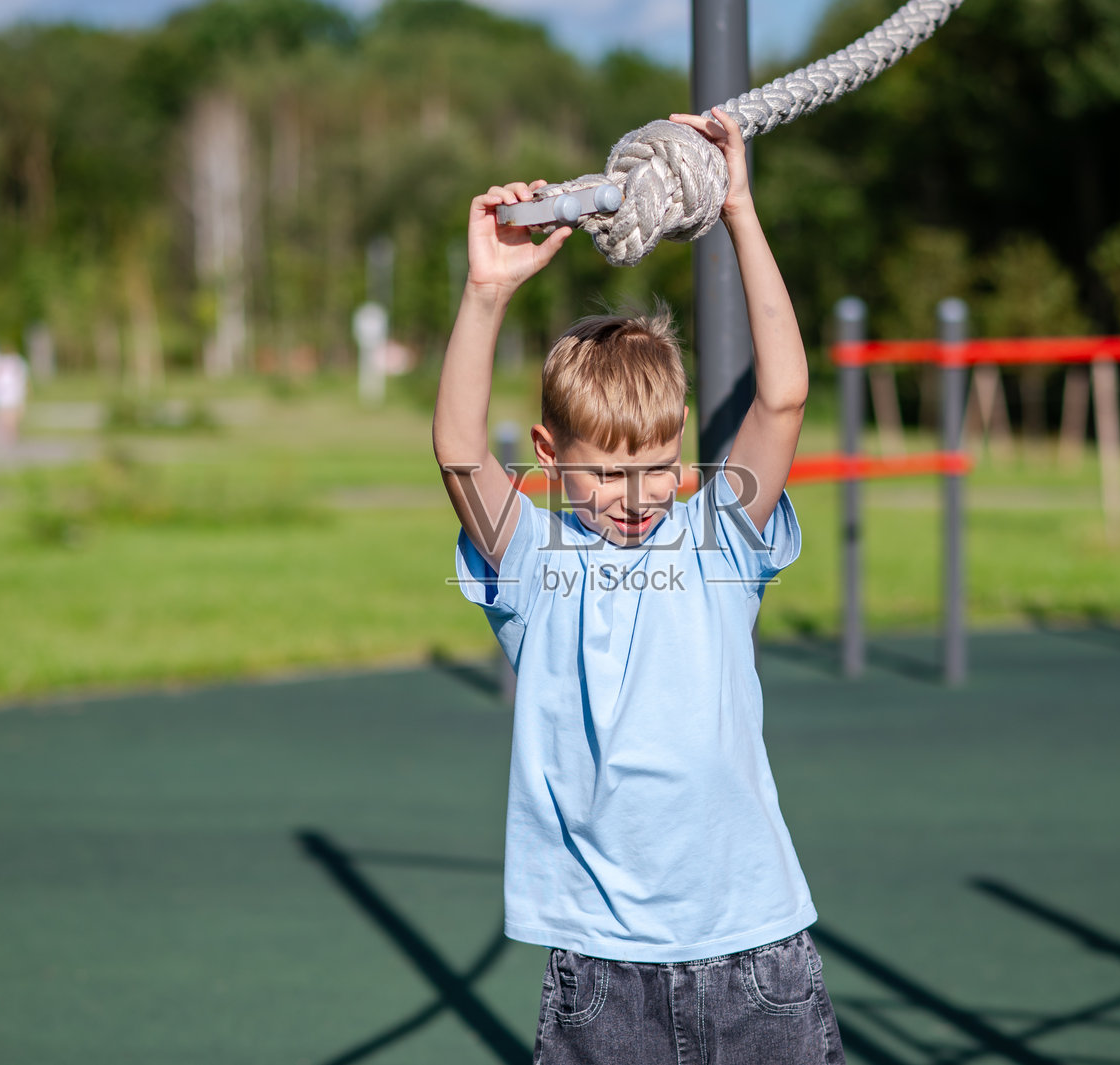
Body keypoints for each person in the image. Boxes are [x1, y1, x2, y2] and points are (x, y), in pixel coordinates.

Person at [433, 108, 842, 1065]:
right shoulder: (533, 567)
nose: (637, 495)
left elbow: (782, 396)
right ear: (547, 455)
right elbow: (458, 451)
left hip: (756, 958)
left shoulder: (718, 538)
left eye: (660, 465)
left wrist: (740, 209)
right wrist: (487, 292)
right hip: (603, 974)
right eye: (607, 471)